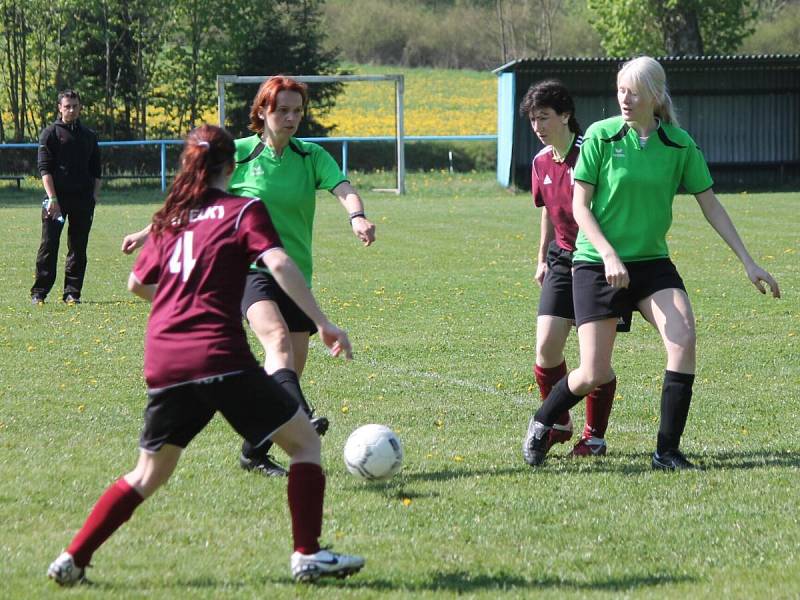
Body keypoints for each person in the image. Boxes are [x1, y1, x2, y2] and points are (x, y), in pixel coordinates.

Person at [47, 125, 365, 587]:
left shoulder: (172, 218)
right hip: (219, 357)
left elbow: (136, 285)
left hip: (164, 358)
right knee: (305, 444)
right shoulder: (243, 209)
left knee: (147, 474)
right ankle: (308, 554)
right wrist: (322, 322)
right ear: (231, 167)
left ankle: (72, 558)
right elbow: (276, 262)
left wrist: (180, 305)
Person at [522, 56, 780, 470]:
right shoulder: (601, 138)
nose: (624, 98)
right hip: (595, 263)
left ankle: (667, 451)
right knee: (593, 372)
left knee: (683, 340)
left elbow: (711, 206)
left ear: (655, 96)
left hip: (652, 263)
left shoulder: (679, 144)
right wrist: (607, 253)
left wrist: (749, 262)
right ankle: (542, 421)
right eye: (620, 90)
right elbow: (580, 206)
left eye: (634, 91)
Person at [122, 76, 376, 477]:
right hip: (250, 270)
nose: (291, 118)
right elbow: (191, 196)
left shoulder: (310, 157)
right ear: (262, 112)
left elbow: (344, 188)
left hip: (295, 273)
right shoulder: (237, 152)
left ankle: (254, 452)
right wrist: (148, 231)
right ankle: (303, 418)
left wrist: (357, 216)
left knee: (289, 366)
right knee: (275, 340)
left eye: (297, 111)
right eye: (282, 110)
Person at [521, 80, 616, 457]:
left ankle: (594, 436)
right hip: (562, 257)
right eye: (532, 119)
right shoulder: (541, 161)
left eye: (544, 117)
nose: (538, 126)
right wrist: (542, 256)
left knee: (594, 360)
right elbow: (547, 208)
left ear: (565, 115)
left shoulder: (589, 153)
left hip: (594, 260)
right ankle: (559, 421)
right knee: (546, 348)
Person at [31, 89, 102, 305]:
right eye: (67, 106)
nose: (71, 109)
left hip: (82, 201)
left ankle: (72, 293)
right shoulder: (50, 134)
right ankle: (39, 293)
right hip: (56, 202)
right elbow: (45, 169)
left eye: (75, 106)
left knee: (78, 247)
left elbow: (97, 171)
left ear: (80, 107)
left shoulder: (89, 136)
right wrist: (52, 199)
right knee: (49, 245)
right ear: (60, 108)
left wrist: (93, 198)